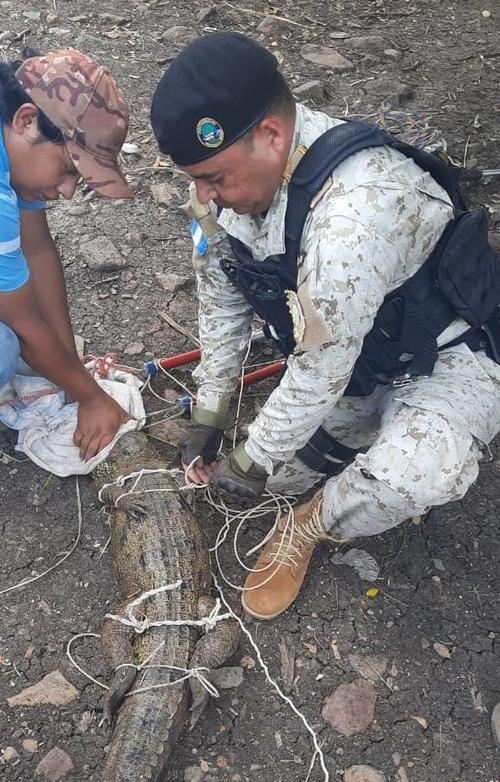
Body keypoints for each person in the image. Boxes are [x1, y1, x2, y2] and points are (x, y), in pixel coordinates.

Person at [150, 32, 500, 620]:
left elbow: (320, 366)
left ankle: (311, 525)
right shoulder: (226, 186)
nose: (205, 196)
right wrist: (211, 408)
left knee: (414, 475)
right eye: (197, 179)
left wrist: (253, 457)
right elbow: (224, 296)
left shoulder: (355, 212)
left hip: (445, 358)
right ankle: (343, 436)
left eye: (215, 177)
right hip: (360, 361)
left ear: (271, 136)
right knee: (272, 476)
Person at [0, 48, 133, 461]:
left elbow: (38, 251)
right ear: (26, 121)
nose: (69, 191)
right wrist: (90, 398)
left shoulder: (14, 159)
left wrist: (68, 362)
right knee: (5, 347)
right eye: (69, 168)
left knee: (39, 355)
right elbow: (21, 323)